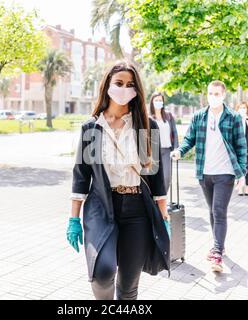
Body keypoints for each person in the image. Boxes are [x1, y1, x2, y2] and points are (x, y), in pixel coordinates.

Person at [67, 61, 171, 300]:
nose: (125, 88)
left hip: (138, 211)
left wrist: (164, 218)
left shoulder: (146, 126)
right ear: (107, 86)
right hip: (102, 207)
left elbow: (155, 178)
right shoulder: (92, 128)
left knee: (128, 286)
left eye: (130, 84)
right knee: (102, 274)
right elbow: (81, 177)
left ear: (137, 90)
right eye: (119, 83)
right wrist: (73, 218)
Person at [171, 80, 247, 272]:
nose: (213, 97)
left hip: (226, 173)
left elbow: (241, 147)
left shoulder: (233, 117)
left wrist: (243, 173)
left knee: (219, 211)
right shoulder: (199, 116)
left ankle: (217, 253)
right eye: (210, 94)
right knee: (212, 211)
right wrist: (180, 150)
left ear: (223, 95)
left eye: (216, 94)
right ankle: (218, 244)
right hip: (204, 174)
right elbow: (190, 138)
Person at [149, 92, 179, 194]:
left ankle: (163, 199)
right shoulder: (148, 118)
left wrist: (176, 148)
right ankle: (154, 202)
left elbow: (174, 132)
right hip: (153, 152)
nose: (158, 102)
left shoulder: (168, 116)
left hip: (167, 151)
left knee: (167, 177)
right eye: (156, 100)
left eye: (160, 100)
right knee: (153, 177)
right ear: (152, 102)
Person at [235, 102, 248, 196]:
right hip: (237, 146)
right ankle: (240, 185)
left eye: (244, 108)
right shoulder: (235, 118)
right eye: (241, 107)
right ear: (238, 109)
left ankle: (247, 186)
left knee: (246, 166)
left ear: (247, 109)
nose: (243, 109)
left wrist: (246, 118)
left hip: (247, 146)